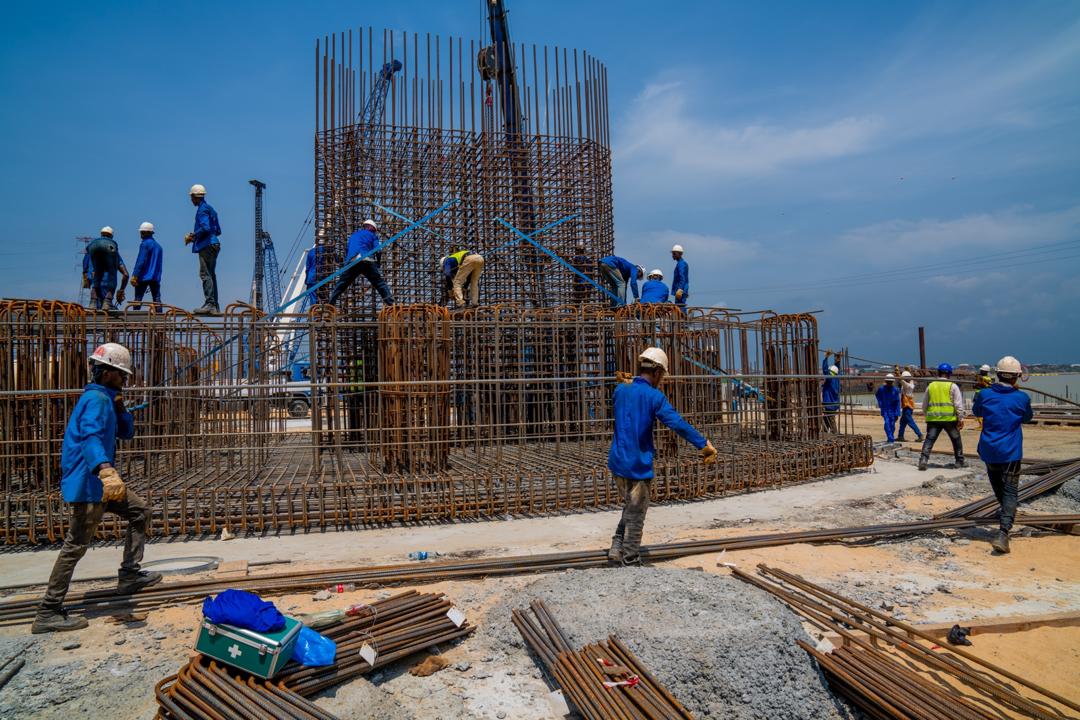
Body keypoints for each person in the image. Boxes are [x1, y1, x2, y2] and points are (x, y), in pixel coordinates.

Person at [32, 343, 162, 633]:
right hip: (92, 484)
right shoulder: (95, 401)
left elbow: (126, 433)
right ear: (106, 373)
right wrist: (105, 470)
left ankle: (129, 575)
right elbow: (90, 438)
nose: (126, 379)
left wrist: (122, 409)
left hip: (103, 484)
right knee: (75, 546)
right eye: (121, 374)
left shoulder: (107, 399)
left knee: (140, 511)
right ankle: (48, 611)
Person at [607, 348, 717, 565]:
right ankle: (630, 560)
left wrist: (627, 385)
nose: (662, 380)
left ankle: (616, 547)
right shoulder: (654, 396)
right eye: (662, 375)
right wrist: (703, 444)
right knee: (636, 515)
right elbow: (676, 423)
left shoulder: (620, 389)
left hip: (617, 462)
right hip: (637, 464)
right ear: (657, 371)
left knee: (630, 506)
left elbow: (625, 401)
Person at [972, 356, 1032, 554]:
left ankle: (1006, 513)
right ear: (1016, 378)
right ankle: (1004, 531)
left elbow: (976, 410)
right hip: (1011, 452)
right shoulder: (1022, 398)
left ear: (997, 374)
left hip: (989, 450)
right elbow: (1027, 417)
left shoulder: (984, 395)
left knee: (999, 487)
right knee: (1010, 491)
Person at [329, 219, 395, 306]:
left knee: (341, 284)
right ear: (372, 229)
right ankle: (391, 304)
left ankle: (330, 304)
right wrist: (378, 263)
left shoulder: (354, 235)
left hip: (352, 261)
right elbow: (378, 250)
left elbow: (348, 250)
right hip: (366, 260)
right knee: (379, 283)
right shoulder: (373, 236)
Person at [918, 363, 965, 470]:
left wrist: (928, 416)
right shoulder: (952, 386)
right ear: (949, 374)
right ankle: (959, 461)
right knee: (956, 439)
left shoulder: (931, 385)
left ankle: (923, 460)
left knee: (929, 440)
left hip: (933, 419)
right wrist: (960, 418)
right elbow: (958, 405)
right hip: (949, 420)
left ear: (938, 373)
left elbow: (924, 405)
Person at [184, 183, 222, 315]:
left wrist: (194, 235)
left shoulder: (202, 210)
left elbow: (205, 227)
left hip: (206, 245)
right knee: (211, 274)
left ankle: (210, 304)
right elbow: (217, 230)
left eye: (191, 197)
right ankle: (215, 306)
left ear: (195, 196)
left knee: (205, 274)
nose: (191, 200)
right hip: (213, 244)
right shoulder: (210, 209)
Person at [87, 226, 129, 310]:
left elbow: (88, 271)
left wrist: (89, 279)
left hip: (96, 287)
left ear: (101, 234)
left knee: (96, 311)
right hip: (108, 288)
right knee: (106, 309)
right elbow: (126, 274)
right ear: (111, 236)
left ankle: (92, 302)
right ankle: (107, 301)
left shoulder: (93, 254)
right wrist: (121, 290)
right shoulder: (115, 255)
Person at [130, 222, 164, 312]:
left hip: (143, 276)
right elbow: (159, 265)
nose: (141, 234)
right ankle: (160, 319)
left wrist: (135, 275)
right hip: (155, 277)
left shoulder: (145, 244)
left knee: (138, 298)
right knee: (157, 298)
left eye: (142, 232)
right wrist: (158, 278)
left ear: (146, 233)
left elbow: (140, 261)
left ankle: (135, 319)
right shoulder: (159, 247)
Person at [896, 370, 923, 442]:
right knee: (902, 422)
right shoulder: (910, 383)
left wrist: (898, 373)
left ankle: (920, 435)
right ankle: (900, 436)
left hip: (908, 407)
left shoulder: (908, 386)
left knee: (910, 422)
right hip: (906, 406)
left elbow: (901, 381)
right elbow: (902, 381)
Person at [875, 374, 901, 443]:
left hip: (893, 410)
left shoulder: (895, 390)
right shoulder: (881, 389)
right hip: (885, 409)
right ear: (886, 381)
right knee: (887, 423)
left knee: (892, 424)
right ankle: (890, 438)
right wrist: (880, 404)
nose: (889, 383)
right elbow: (877, 395)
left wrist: (897, 413)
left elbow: (897, 402)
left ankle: (890, 437)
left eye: (890, 382)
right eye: (888, 382)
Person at [821, 351, 841, 432]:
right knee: (826, 421)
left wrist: (826, 358)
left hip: (829, 405)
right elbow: (836, 369)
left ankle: (834, 435)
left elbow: (825, 370)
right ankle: (824, 433)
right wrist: (837, 361)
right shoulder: (836, 378)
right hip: (833, 405)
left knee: (831, 422)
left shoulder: (830, 380)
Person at [974, 364, 994, 430]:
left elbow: (977, 385)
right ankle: (982, 425)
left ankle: (981, 425)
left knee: (978, 409)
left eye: (982, 370)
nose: (980, 371)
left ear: (984, 371)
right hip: (985, 394)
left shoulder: (982, 378)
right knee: (983, 409)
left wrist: (977, 380)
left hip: (979, 393)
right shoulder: (989, 378)